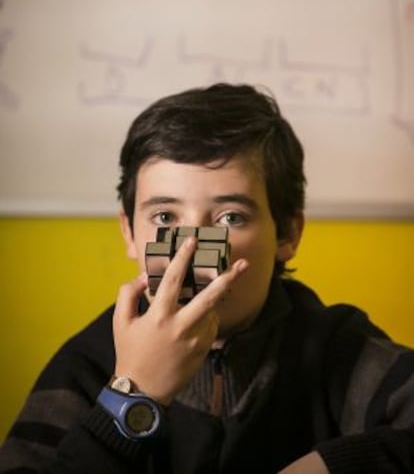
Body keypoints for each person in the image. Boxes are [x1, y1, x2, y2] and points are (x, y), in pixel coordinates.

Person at [1, 82, 413, 474]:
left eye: (230, 217)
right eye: (165, 217)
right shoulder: (88, 363)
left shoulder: (340, 349)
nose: (192, 249)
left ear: (287, 233)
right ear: (129, 233)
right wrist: (133, 396)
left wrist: (337, 465)